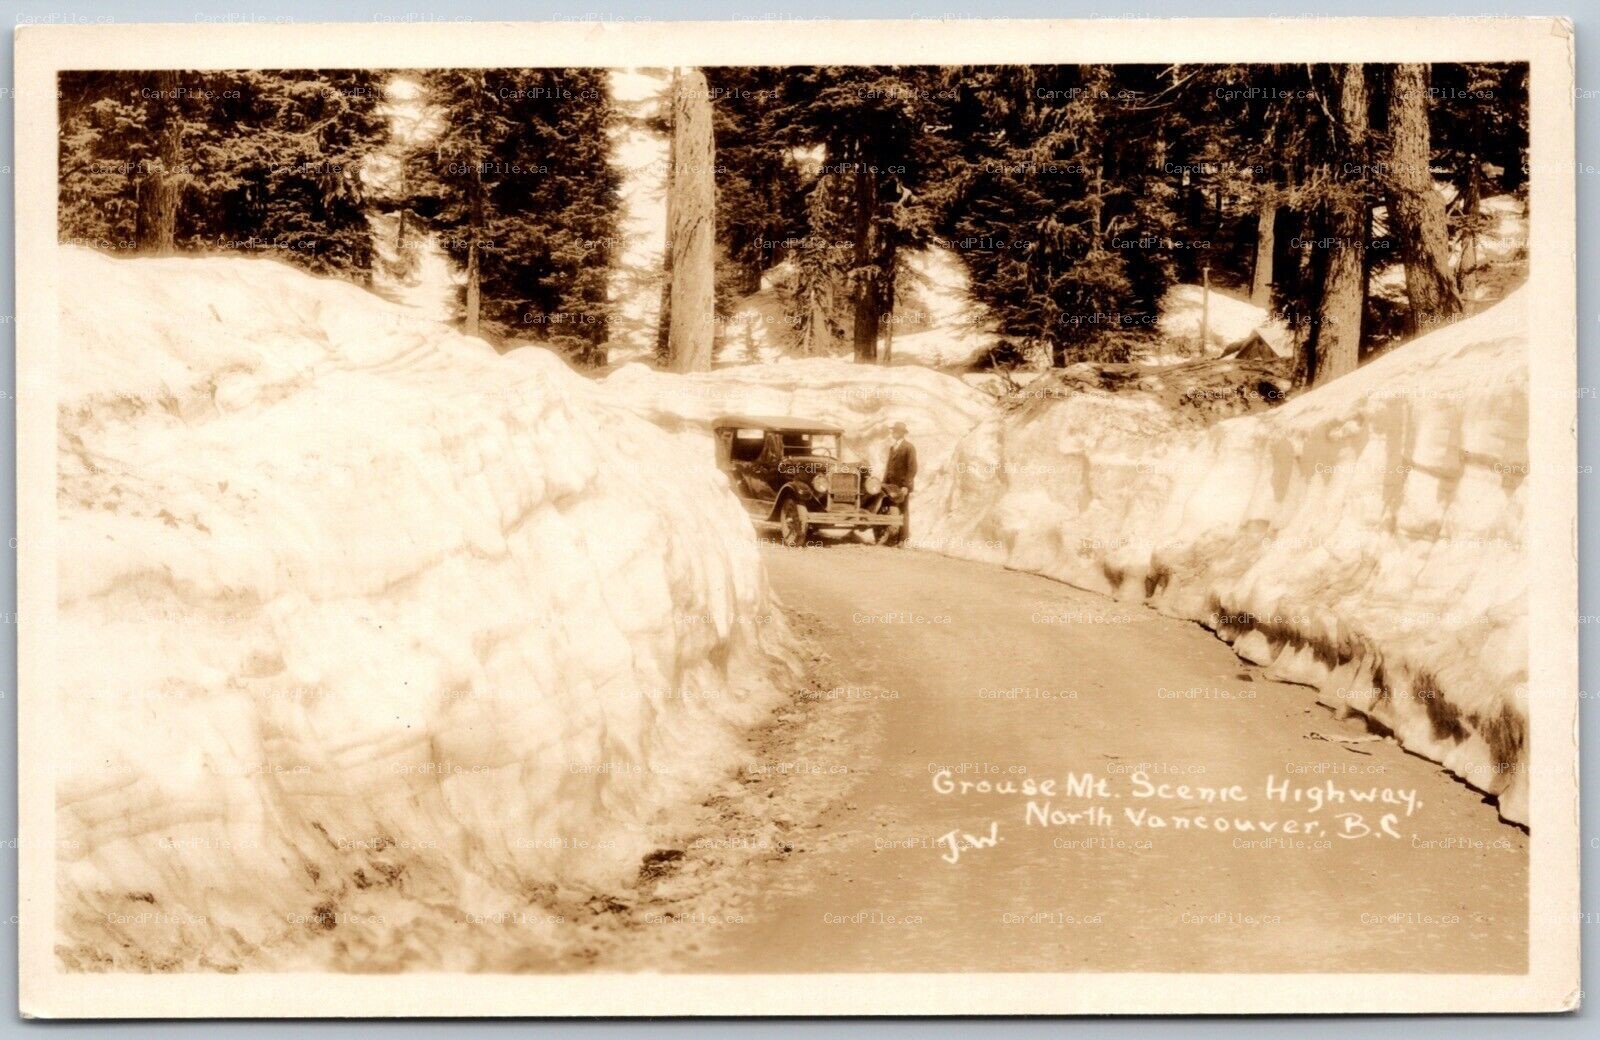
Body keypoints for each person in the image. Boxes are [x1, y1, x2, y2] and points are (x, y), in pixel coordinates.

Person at [881, 421, 917, 547]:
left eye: (895, 431)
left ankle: (902, 540)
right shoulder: (893, 447)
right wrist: (883, 483)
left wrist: (906, 486)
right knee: (889, 509)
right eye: (893, 430)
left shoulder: (909, 447)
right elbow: (888, 467)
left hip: (901, 486)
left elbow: (912, 468)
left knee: (903, 511)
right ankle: (890, 537)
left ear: (902, 433)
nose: (893, 433)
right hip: (890, 486)